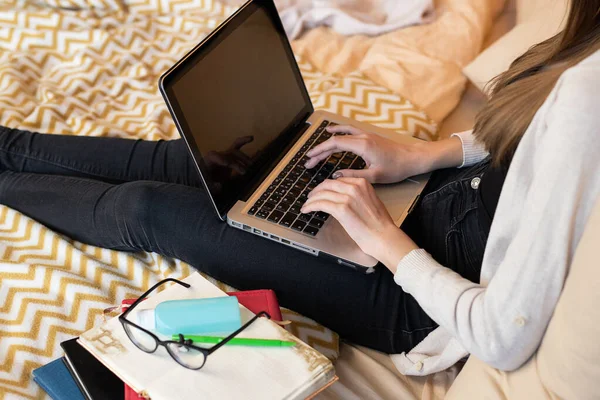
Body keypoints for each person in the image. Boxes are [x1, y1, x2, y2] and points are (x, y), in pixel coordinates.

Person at [1, 0, 598, 376]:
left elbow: (500, 336)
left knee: (148, 205)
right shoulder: (584, 62)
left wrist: (386, 242)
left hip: (414, 296)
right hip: (431, 192)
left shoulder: (588, 100)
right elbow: (530, 145)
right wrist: (427, 152)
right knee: (197, 162)